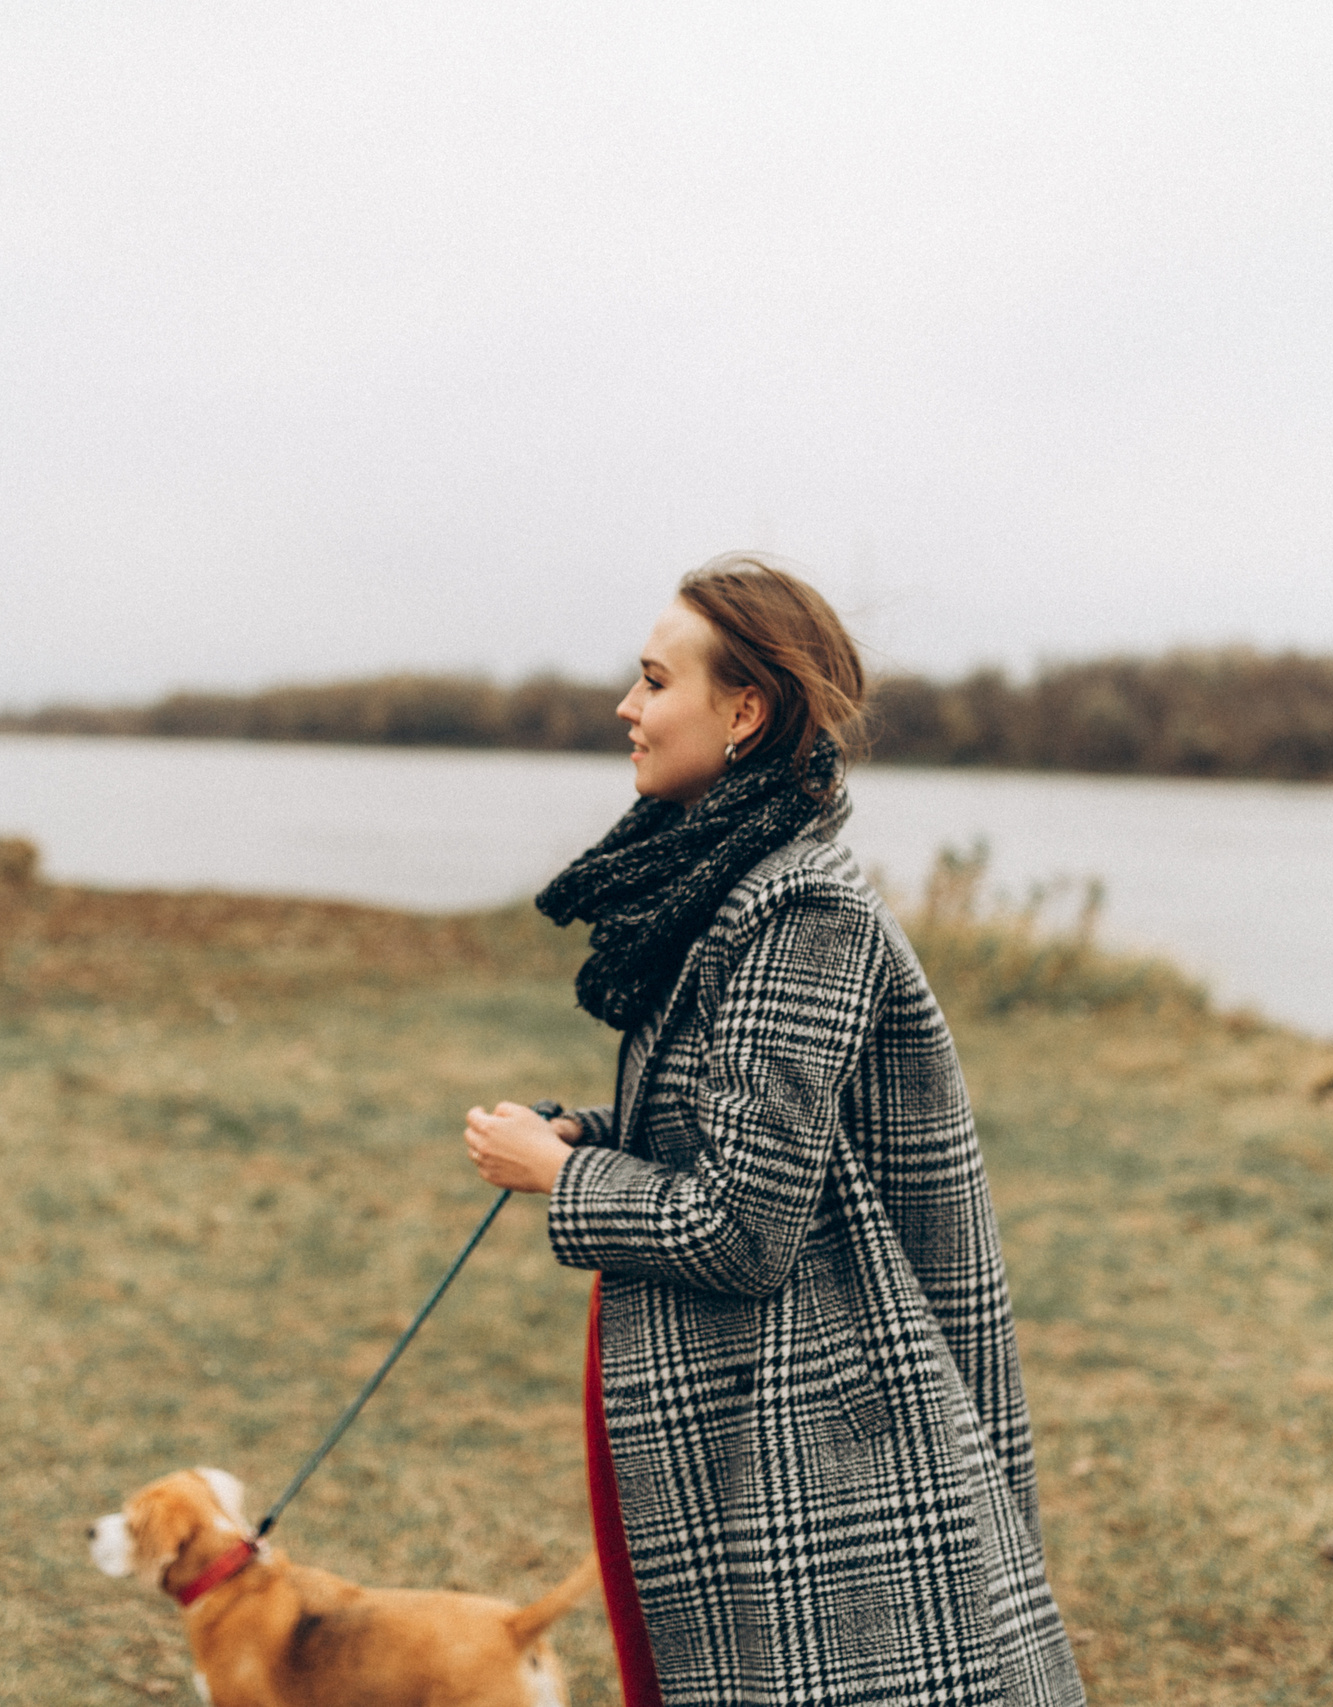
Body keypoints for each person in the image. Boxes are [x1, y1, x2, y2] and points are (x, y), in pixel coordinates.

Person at [462, 557, 1086, 1707]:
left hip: (816, 1429)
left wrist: (564, 1174)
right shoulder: (726, 879)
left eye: (654, 683)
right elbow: (756, 1135)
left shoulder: (796, 910)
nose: (627, 710)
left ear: (743, 712)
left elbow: (745, 1226)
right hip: (747, 1407)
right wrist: (594, 1131)